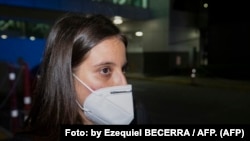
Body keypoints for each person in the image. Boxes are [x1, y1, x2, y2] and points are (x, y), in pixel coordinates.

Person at [12, 13, 150, 140]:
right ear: (66, 76)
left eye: (123, 69)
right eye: (105, 70)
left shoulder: (137, 117)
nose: (123, 84)